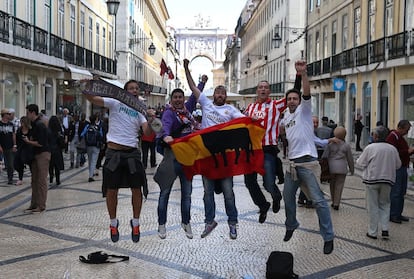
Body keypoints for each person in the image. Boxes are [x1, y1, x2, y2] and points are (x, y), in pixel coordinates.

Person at [85, 79, 154, 243]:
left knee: (137, 189)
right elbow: (95, 99)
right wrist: (85, 89)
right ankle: (113, 223)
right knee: (111, 190)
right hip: (114, 152)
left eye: (137, 88)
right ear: (125, 91)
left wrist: (151, 122)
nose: (134, 90)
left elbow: (147, 132)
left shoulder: (140, 110)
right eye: (131, 88)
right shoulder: (116, 102)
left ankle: (136, 223)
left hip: (131, 152)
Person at [184, 58, 245, 239]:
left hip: (224, 158)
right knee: (207, 192)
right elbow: (193, 87)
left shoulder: (231, 110)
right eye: (217, 92)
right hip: (206, 156)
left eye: (222, 93)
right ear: (213, 96)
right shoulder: (206, 104)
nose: (220, 95)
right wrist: (187, 69)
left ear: (225, 96)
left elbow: (244, 121)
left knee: (228, 193)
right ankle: (209, 221)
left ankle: (232, 223)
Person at [280, 60, 335, 254]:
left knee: (318, 201)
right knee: (287, 198)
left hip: (308, 162)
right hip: (292, 164)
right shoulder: (286, 115)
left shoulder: (304, 111)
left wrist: (303, 74)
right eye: (290, 99)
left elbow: (304, 92)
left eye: (295, 99)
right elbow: (294, 91)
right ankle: (292, 224)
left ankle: (328, 237)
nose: (293, 101)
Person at [154, 73, 206, 239]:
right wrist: (166, 136)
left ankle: (186, 222)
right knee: (165, 193)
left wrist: (202, 82)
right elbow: (165, 127)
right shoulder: (169, 113)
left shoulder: (187, 110)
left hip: (187, 158)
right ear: (171, 99)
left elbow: (194, 96)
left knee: (187, 194)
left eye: (180, 97)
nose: (178, 100)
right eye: (175, 97)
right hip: (172, 158)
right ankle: (162, 224)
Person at [243, 79, 288, 223]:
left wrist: (300, 75)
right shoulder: (250, 108)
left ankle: (276, 196)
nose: (263, 89)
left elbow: (292, 96)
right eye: (260, 87)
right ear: (257, 91)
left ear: (269, 91)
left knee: (268, 183)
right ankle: (263, 205)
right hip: (251, 150)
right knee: (249, 182)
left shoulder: (276, 105)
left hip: (268, 149)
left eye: (266, 88)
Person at [356, 126, 401, 239]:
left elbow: (360, 163)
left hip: (372, 180)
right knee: (385, 204)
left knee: (373, 206)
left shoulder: (370, 148)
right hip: (388, 180)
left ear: (375, 136)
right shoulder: (392, 149)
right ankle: (385, 229)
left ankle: (373, 232)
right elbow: (398, 165)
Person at [24, 104, 51, 213]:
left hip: (42, 154)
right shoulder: (34, 124)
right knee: (34, 180)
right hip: (35, 154)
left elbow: (41, 143)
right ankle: (34, 204)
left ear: (32, 113)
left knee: (41, 181)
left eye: (27, 113)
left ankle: (41, 205)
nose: (27, 115)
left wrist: (28, 141)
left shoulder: (40, 125)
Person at [386, 120, 414, 224]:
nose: (408, 132)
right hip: (397, 168)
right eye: (407, 129)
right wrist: (407, 151)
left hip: (403, 166)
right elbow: (393, 152)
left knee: (402, 191)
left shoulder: (400, 137)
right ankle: (393, 214)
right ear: (401, 128)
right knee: (396, 192)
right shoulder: (393, 136)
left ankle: (398, 213)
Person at [322, 126, 354, 210]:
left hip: (331, 167)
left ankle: (333, 201)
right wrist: (352, 169)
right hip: (342, 168)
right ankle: (337, 203)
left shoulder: (330, 144)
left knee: (332, 185)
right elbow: (350, 158)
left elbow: (325, 155)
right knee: (339, 185)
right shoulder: (346, 145)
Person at [80, 114, 103, 182]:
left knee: (90, 160)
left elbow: (82, 134)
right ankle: (90, 176)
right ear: (96, 119)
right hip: (96, 146)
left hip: (88, 146)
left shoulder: (87, 126)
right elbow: (101, 135)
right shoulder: (98, 127)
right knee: (94, 161)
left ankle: (91, 173)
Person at [14, 116, 33, 186]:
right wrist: (16, 146)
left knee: (31, 164)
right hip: (21, 148)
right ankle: (20, 178)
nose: (21, 124)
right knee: (18, 163)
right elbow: (17, 139)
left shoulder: (31, 130)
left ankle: (33, 178)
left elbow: (32, 139)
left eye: (22, 122)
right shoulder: (19, 130)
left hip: (29, 148)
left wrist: (28, 140)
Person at [0, 108, 17, 185]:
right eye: (8, 114)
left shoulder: (11, 124)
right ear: (4, 115)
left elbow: (13, 135)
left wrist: (14, 145)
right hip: (1, 146)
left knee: (10, 164)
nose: (10, 115)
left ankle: (10, 178)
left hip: (9, 146)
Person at [48, 116, 65, 186]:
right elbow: (61, 141)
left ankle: (51, 178)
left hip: (50, 150)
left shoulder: (48, 130)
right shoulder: (59, 131)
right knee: (57, 166)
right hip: (57, 150)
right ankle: (58, 179)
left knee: (51, 165)